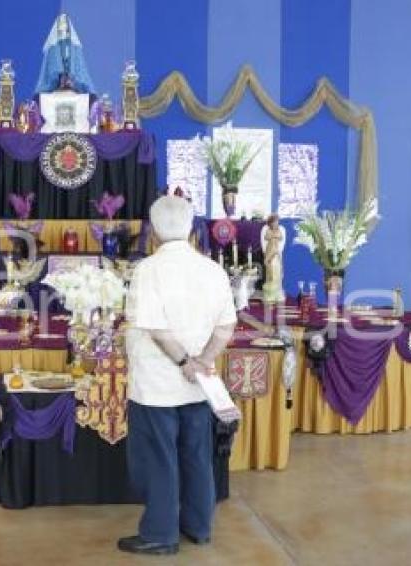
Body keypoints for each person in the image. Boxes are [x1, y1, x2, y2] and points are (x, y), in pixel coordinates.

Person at [119, 195, 238, 556]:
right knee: (196, 455)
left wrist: (186, 361)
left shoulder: (148, 270)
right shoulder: (212, 269)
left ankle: (159, 533)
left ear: (153, 231)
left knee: (158, 457)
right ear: (191, 229)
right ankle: (198, 526)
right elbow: (226, 326)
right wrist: (202, 362)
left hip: (157, 385)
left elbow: (155, 328)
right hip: (198, 385)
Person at [260, 214, 286, 303]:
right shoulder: (267, 230)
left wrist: (275, 237)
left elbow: (282, 238)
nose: (276, 223)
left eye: (277, 221)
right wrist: (273, 236)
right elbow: (266, 238)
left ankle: (277, 293)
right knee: (269, 272)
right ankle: (270, 294)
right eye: (274, 221)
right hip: (269, 251)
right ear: (270, 223)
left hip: (277, 253)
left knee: (277, 271)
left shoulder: (280, 230)